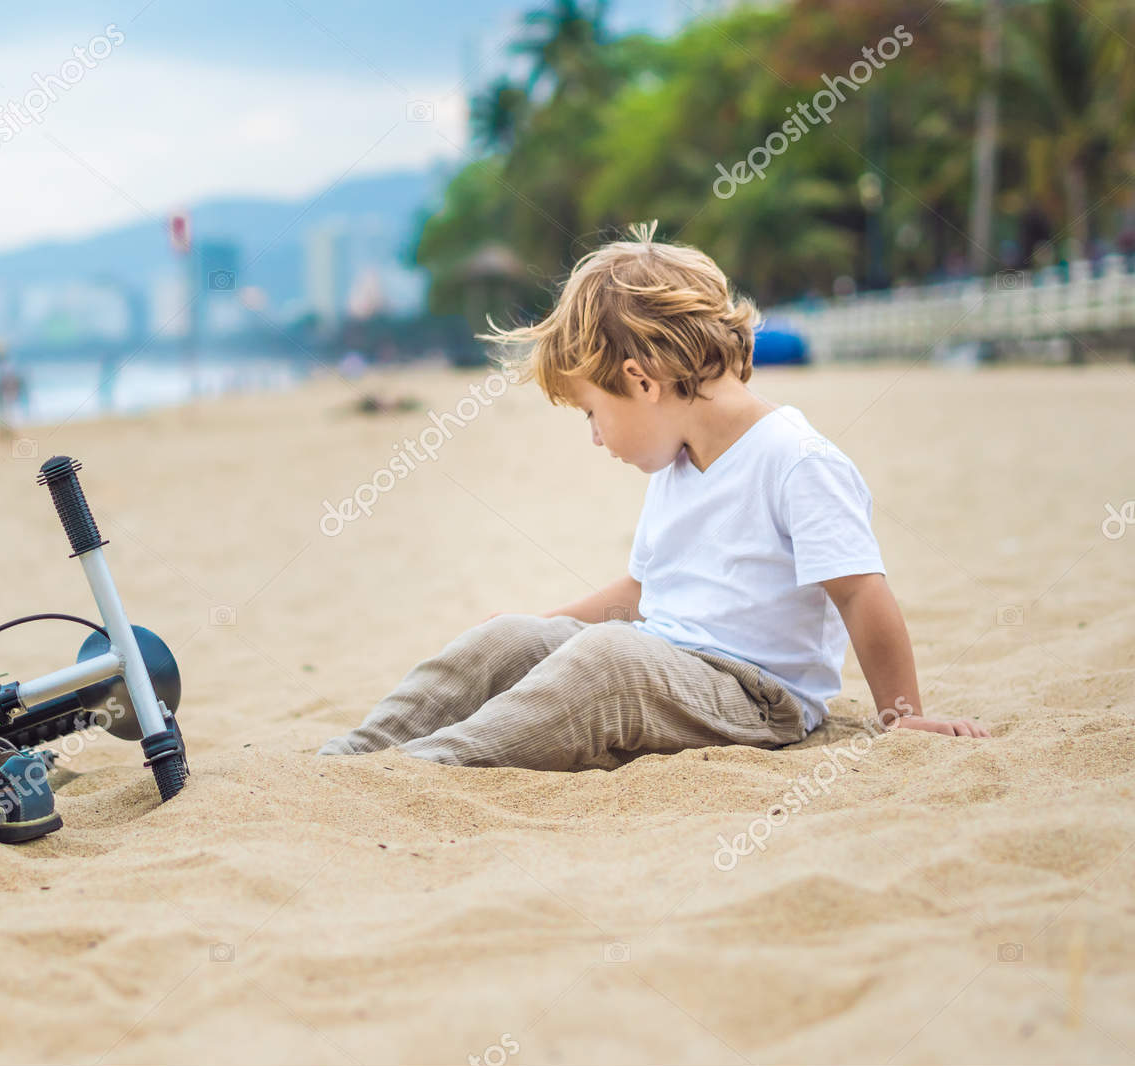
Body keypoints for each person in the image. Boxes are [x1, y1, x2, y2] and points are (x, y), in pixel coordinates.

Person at [320, 223, 987, 773]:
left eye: (591, 412)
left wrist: (902, 715)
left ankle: (432, 764)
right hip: (667, 657)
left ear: (641, 382)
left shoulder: (794, 459)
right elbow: (641, 592)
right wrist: (536, 634)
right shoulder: (679, 464)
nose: (594, 437)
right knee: (509, 636)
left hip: (756, 694)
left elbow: (861, 593)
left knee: (609, 661)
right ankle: (354, 753)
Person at [0, 341, 27, 437]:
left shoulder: (4, 364)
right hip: (3, 389)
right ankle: (6, 431)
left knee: (6, 411)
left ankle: (7, 432)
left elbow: (10, 378)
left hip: (5, 389)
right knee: (5, 411)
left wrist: (12, 389)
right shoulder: (4, 363)